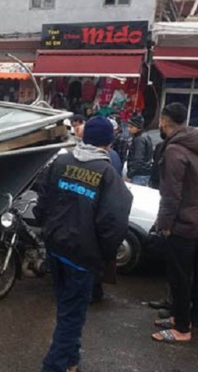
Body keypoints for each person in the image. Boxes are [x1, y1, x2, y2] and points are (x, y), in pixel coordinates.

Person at [34, 116, 132, 371]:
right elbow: (115, 221)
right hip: (81, 256)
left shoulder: (61, 161)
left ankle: (71, 359)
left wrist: (47, 228)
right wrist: (104, 255)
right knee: (71, 314)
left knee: (67, 308)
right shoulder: (108, 172)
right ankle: (54, 365)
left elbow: (41, 200)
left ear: (84, 136)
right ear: (109, 142)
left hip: (56, 247)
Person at [151, 103, 198, 344]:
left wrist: (164, 224)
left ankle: (181, 329)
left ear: (164, 121)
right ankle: (192, 317)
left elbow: (171, 194)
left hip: (184, 224)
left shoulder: (174, 150)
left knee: (180, 277)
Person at [126, 115, 153, 186]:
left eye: (131, 127)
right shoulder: (144, 136)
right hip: (143, 172)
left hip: (139, 174)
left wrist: (129, 174)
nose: (129, 129)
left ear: (138, 128)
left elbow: (138, 160)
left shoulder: (139, 139)